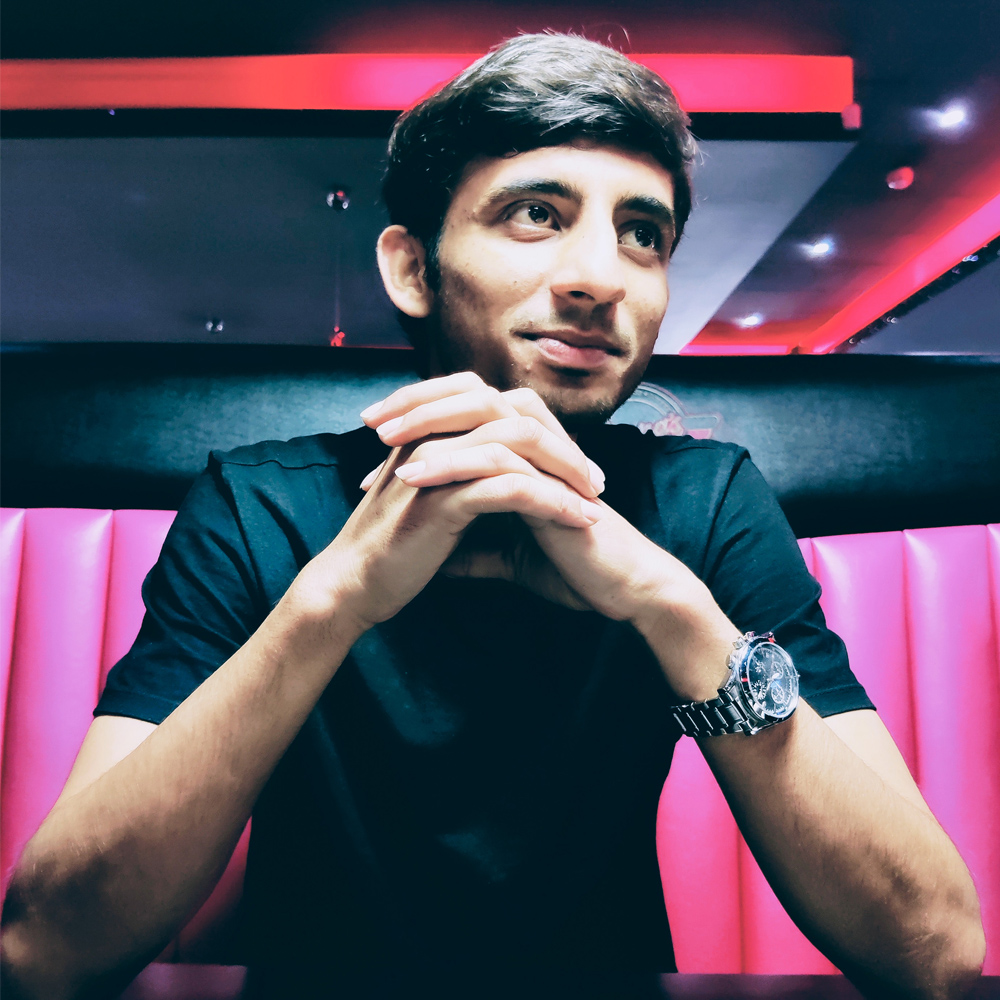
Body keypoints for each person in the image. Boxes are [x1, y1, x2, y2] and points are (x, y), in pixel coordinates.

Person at [0, 33, 985, 1000]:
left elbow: (931, 950)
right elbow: (47, 952)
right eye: (534, 213)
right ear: (413, 269)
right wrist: (331, 602)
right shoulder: (259, 503)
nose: (601, 275)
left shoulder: (705, 500)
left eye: (642, 233)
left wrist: (669, 607)